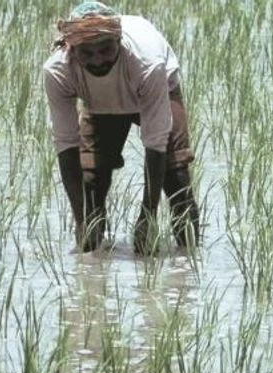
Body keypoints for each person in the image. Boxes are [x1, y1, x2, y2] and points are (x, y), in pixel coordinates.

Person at [43, 1, 199, 255]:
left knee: (176, 175)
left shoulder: (147, 62)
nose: (98, 61)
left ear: (119, 40)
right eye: (87, 54)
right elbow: (66, 143)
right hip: (99, 104)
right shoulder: (58, 70)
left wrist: (147, 214)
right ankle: (93, 265)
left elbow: (155, 141)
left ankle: (189, 261)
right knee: (91, 180)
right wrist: (82, 219)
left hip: (156, 91)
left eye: (106, 50)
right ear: (71, 49)